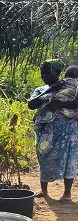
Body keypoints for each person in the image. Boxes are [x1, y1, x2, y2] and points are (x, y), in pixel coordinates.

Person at [28, 60, 78, 201]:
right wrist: (49, 90)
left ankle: (67, 193)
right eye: (42, 73)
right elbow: (31, 104)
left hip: (69, 131)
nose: (44, 75)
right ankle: (43, 189)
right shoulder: (40, 89)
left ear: (57, 72)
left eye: (47, 72)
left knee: (69, 159)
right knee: (43, 156)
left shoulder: (71, 86)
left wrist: (60, 104)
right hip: (46, 131)